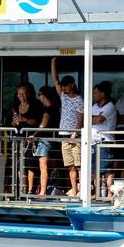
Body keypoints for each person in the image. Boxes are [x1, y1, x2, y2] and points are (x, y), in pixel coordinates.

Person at [51, 59, 85, 196]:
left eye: (66, 86)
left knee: (79, 164)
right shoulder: (63, 97)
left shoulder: (79, 99)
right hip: (64, 135)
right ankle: (74, 189)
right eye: (62, 86)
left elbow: (80, 118)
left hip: (74, 135)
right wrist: (53, 62)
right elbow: (55, 79)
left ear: (72, 85)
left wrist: (75, 134)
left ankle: (82, 189)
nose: (63, 88)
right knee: (70, 165)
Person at [91, 81, 119, 197]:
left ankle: (109, 194)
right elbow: (87, 119)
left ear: (103, 94)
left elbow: (98, 120)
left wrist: (91, 118)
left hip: (105, 142)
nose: (94, 95)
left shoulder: (110, 106)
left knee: (107, 169)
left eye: (96, 93)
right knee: (93, 170)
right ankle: (95, 194)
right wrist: (92, 118)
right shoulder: (94, 106)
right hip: (93, 142)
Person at [31, 86, 57, 195]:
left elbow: (42, 125)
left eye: (39, 95)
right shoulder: (56, 109)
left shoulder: (48, 110)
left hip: (45, 140)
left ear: (43, 95)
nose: (39, 98)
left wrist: (34, 134)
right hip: (54, 140)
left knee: (43, 166)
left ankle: (42, 192)